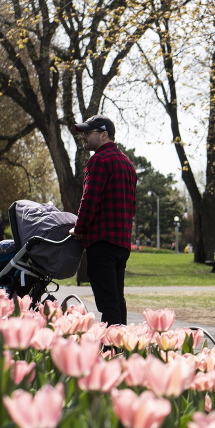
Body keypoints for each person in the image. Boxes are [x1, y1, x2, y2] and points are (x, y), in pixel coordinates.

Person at [70, 114, 137, 326]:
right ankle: (122, 345)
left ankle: (111, 350)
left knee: (107, 302)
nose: (83, 137)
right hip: (121, 243)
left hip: (101, 241)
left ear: (104, 135)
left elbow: (89, 200)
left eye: (88, 133)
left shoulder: (99, 160)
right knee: (117, 299)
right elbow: (132, 206)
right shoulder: (127, 164)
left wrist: (78, 229)